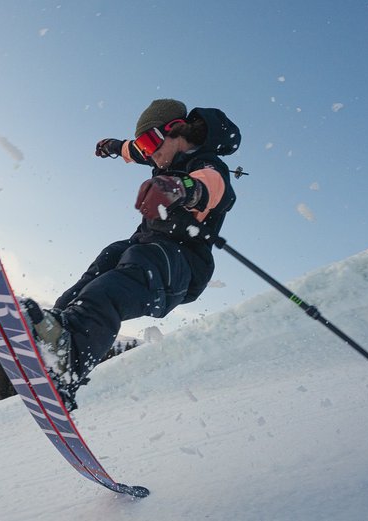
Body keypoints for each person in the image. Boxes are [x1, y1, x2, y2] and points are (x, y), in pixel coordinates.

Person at [21, 99, 241, 410]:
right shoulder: (158, 153)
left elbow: (212, 189)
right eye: (143, 146)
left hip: (182, 263)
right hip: (146, 245)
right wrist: (114, 146)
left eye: (151, 142)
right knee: (111, 257)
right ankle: (55, 332)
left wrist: (180, 187)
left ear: (176, 131)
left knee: (125, 277)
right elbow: (133, 149)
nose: (149, 153)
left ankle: (69, 360)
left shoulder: (207, 165)